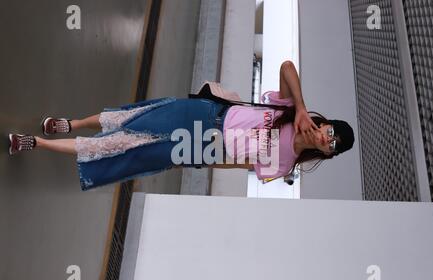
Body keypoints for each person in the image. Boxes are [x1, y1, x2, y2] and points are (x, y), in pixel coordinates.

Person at [7, 60, 354, 191]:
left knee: (121, 146)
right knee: (132, 119)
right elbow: (288, 67)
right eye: (332, 131)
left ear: (327, 152)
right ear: (327, 126)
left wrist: (195, 160)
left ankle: (35, 142)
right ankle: (73, 123)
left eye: (333, 144)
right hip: (203, 115)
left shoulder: (283, 167)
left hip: (199, 148)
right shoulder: (290, 110)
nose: (328, 139)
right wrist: (303, 107)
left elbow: (240, 162)